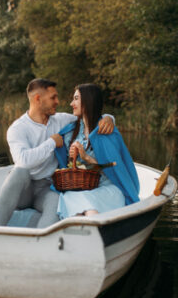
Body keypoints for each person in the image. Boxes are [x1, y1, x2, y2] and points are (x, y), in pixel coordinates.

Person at [0, 78, 115, 228]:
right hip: (23, 189)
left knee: (57, 202)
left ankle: (40, 243)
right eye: (53, 97)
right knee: (19, 172)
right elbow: (23, 161)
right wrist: (51, 142)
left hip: (46, 188)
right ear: (38, 99)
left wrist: (109, 118)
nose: (58, 101)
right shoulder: (17, 128)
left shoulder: (61, 120)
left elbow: (89, 117)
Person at [53, 84, 139, 219]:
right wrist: (71, 157)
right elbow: (71, 166)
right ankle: (82, 232)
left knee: (83, 200)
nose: (71, 103)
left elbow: (114, 168)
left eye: (76, 99)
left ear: (88, 101)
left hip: (109, 187)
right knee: (70, 195)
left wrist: (86, 157)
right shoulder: (71, 132)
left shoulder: (107, 131)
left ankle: (96, 225)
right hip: (83, 187)